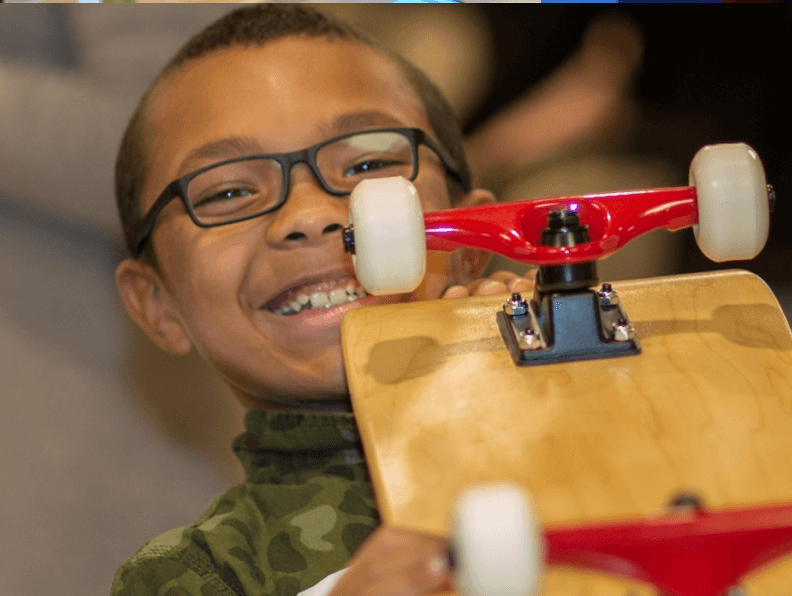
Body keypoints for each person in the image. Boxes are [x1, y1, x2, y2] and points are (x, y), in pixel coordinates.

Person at [108, 5, 533, 596]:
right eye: (228, 191)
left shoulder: (600, 421)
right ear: (156, 304)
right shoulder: (194, 576)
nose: (309, 215)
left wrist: (577, 397)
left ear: (469, 238)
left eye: (366, 164)